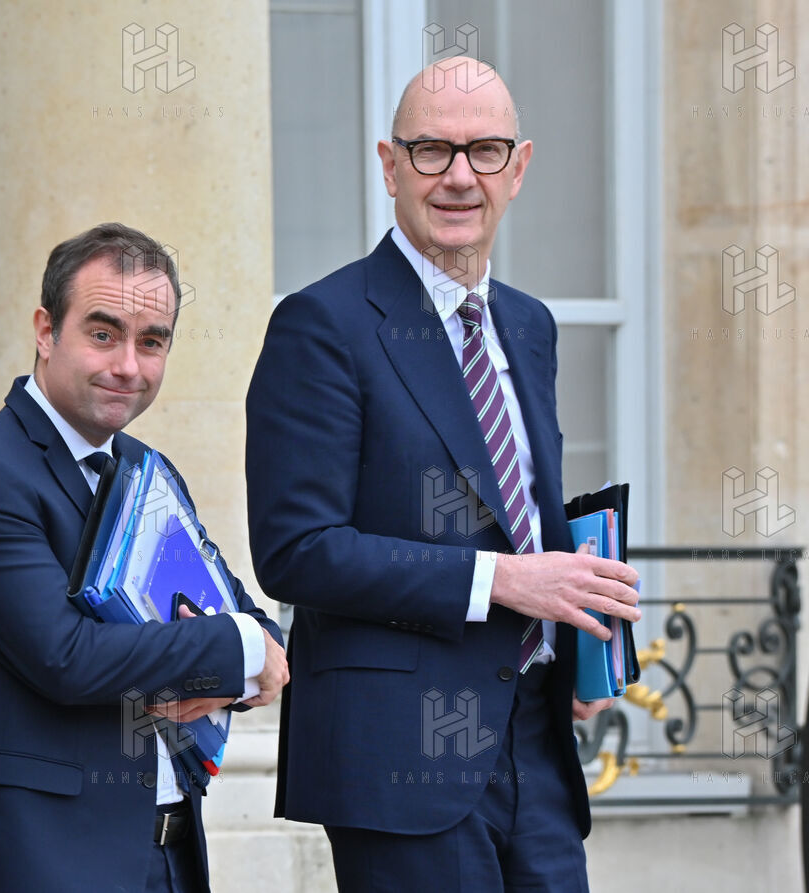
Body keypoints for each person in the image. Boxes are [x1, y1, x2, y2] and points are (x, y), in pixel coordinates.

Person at [244, 58, 642, 891]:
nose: (460, 176)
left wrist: (574, 636)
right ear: (389, 166)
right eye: (432, 150)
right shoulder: (321, 324)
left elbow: (518, 512)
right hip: (403, 758)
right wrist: (507, 582)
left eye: (485, 150)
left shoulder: (529, 325)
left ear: (518, 168)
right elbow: (297, 551)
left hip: (537, 741)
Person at [0, 222, 289, 892]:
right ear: (45, 330)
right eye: (103, 333)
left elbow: (240, 611)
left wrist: (246, 649)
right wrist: (236, 648)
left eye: (152, 342)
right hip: (54, 858)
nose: (129, 366)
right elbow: (67, 658)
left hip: (173, 851)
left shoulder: (147, 466)